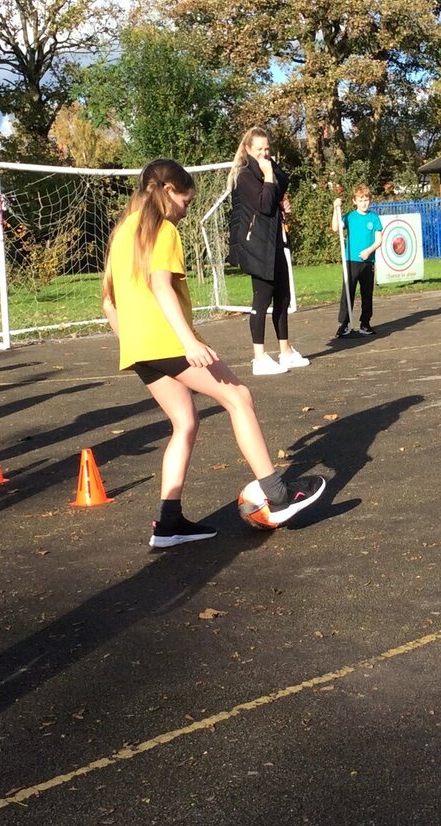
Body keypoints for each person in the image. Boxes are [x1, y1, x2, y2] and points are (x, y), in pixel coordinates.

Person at [101, 159, 326, 548]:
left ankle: (168, 524)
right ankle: (277, 495)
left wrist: (134, 345)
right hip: (166, 340)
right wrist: (187, 341)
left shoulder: (122, 232)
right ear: (168, 192)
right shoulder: (163, 228)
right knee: (238, 397)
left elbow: (108, 302)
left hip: (138, 347)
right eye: (186, 203)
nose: (186, 212)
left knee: (185, 422)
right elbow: (160, 287)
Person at [226, 128, 309, 375]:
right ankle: (259, 358)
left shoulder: (269, 168)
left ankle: (285, 352)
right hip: (255, 243)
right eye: (259, 149)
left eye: (267, 149)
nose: (265, 154)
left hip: (274, 240)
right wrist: (269, 175)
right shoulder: (244, 175)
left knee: (283, 296)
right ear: (248, 150)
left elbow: (281, 185)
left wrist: (282, 200)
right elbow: (263, 204)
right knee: (262, 299)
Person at [331, 184, 384, 337]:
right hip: (351, 260)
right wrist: (335, 209)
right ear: (354, 201)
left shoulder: (374, 218)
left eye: (366, 200)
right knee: (348, 291)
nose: (364, 203)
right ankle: (344, 323)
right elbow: (336, 228)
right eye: (360, 200)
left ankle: (365, 323)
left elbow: (378, 240)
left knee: (367, 293)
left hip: (368, 262)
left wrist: (368, 251)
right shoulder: (350, 216)